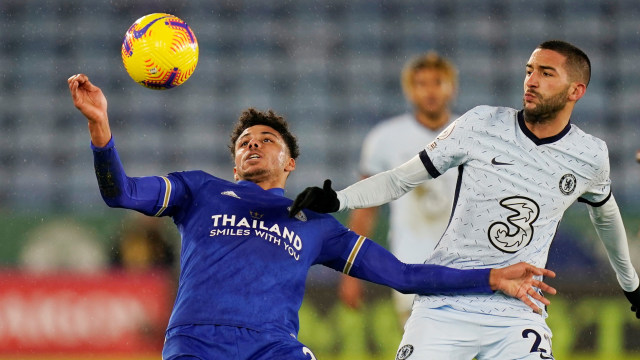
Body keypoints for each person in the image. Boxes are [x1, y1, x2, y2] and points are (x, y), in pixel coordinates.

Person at [68, 73, 556, 360]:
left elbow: (404, 275)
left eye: (267, 140)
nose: (254, 145)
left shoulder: (316, 225)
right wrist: (101, 128)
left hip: (272, 349)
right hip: (197, 344)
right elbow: (122, 193)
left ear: (290, 162)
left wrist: (491, 276)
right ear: (235, 162)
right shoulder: (200, 189)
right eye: (244, 143)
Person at [289, 40, 640, 359]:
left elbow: (606, 218)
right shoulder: (481, 124)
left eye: (546, 73)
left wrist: (632, 286)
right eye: (529, 71)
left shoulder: (590, 155)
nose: (531, 81)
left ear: (576, 90)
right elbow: (400, 179)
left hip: (516, 311)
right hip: (445, 304)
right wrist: (338, 199)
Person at [339, 52, 459, 325]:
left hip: (467, 263)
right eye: (421, 83)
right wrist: (350, 274)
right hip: (411, 265)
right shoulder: (385, 139)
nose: (430, 91)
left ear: (452, 87)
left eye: (438, 82)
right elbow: (365, 208)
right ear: (410, 90)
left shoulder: (471, 133)